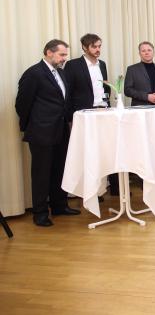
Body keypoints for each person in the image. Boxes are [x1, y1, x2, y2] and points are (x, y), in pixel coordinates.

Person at [15, 39, 80, 227]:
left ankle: (60, 206)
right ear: (49, 53)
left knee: (59, 169)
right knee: (41, 174)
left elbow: (63, 100)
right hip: (41, 132)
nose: (64, 59)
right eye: (61, 55)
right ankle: (40, 213)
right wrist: (32, 126)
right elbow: (22, 104)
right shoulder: (33, 73)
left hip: (60, 130)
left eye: (65, 55)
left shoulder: (61, 73)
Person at [64, 33, 118, 195]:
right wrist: (71, 117)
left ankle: (113, 187)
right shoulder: (73, 65)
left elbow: (104, 88)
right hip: (85, 114)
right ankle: (93, 191)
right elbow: (68, 92)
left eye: (99, 46)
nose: (97, 49)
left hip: (104, 111)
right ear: (85, 47)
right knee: (90, 153)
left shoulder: (102, 64)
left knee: (108, 149)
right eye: (94, 46)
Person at [124, 42, 155, 113]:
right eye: (143, 51)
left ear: (153, 52)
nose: (146, 53)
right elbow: (127, 90)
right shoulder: (132, 69)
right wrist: (147, 97)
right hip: (141, 110)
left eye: (149, 50)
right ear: (139, 53)